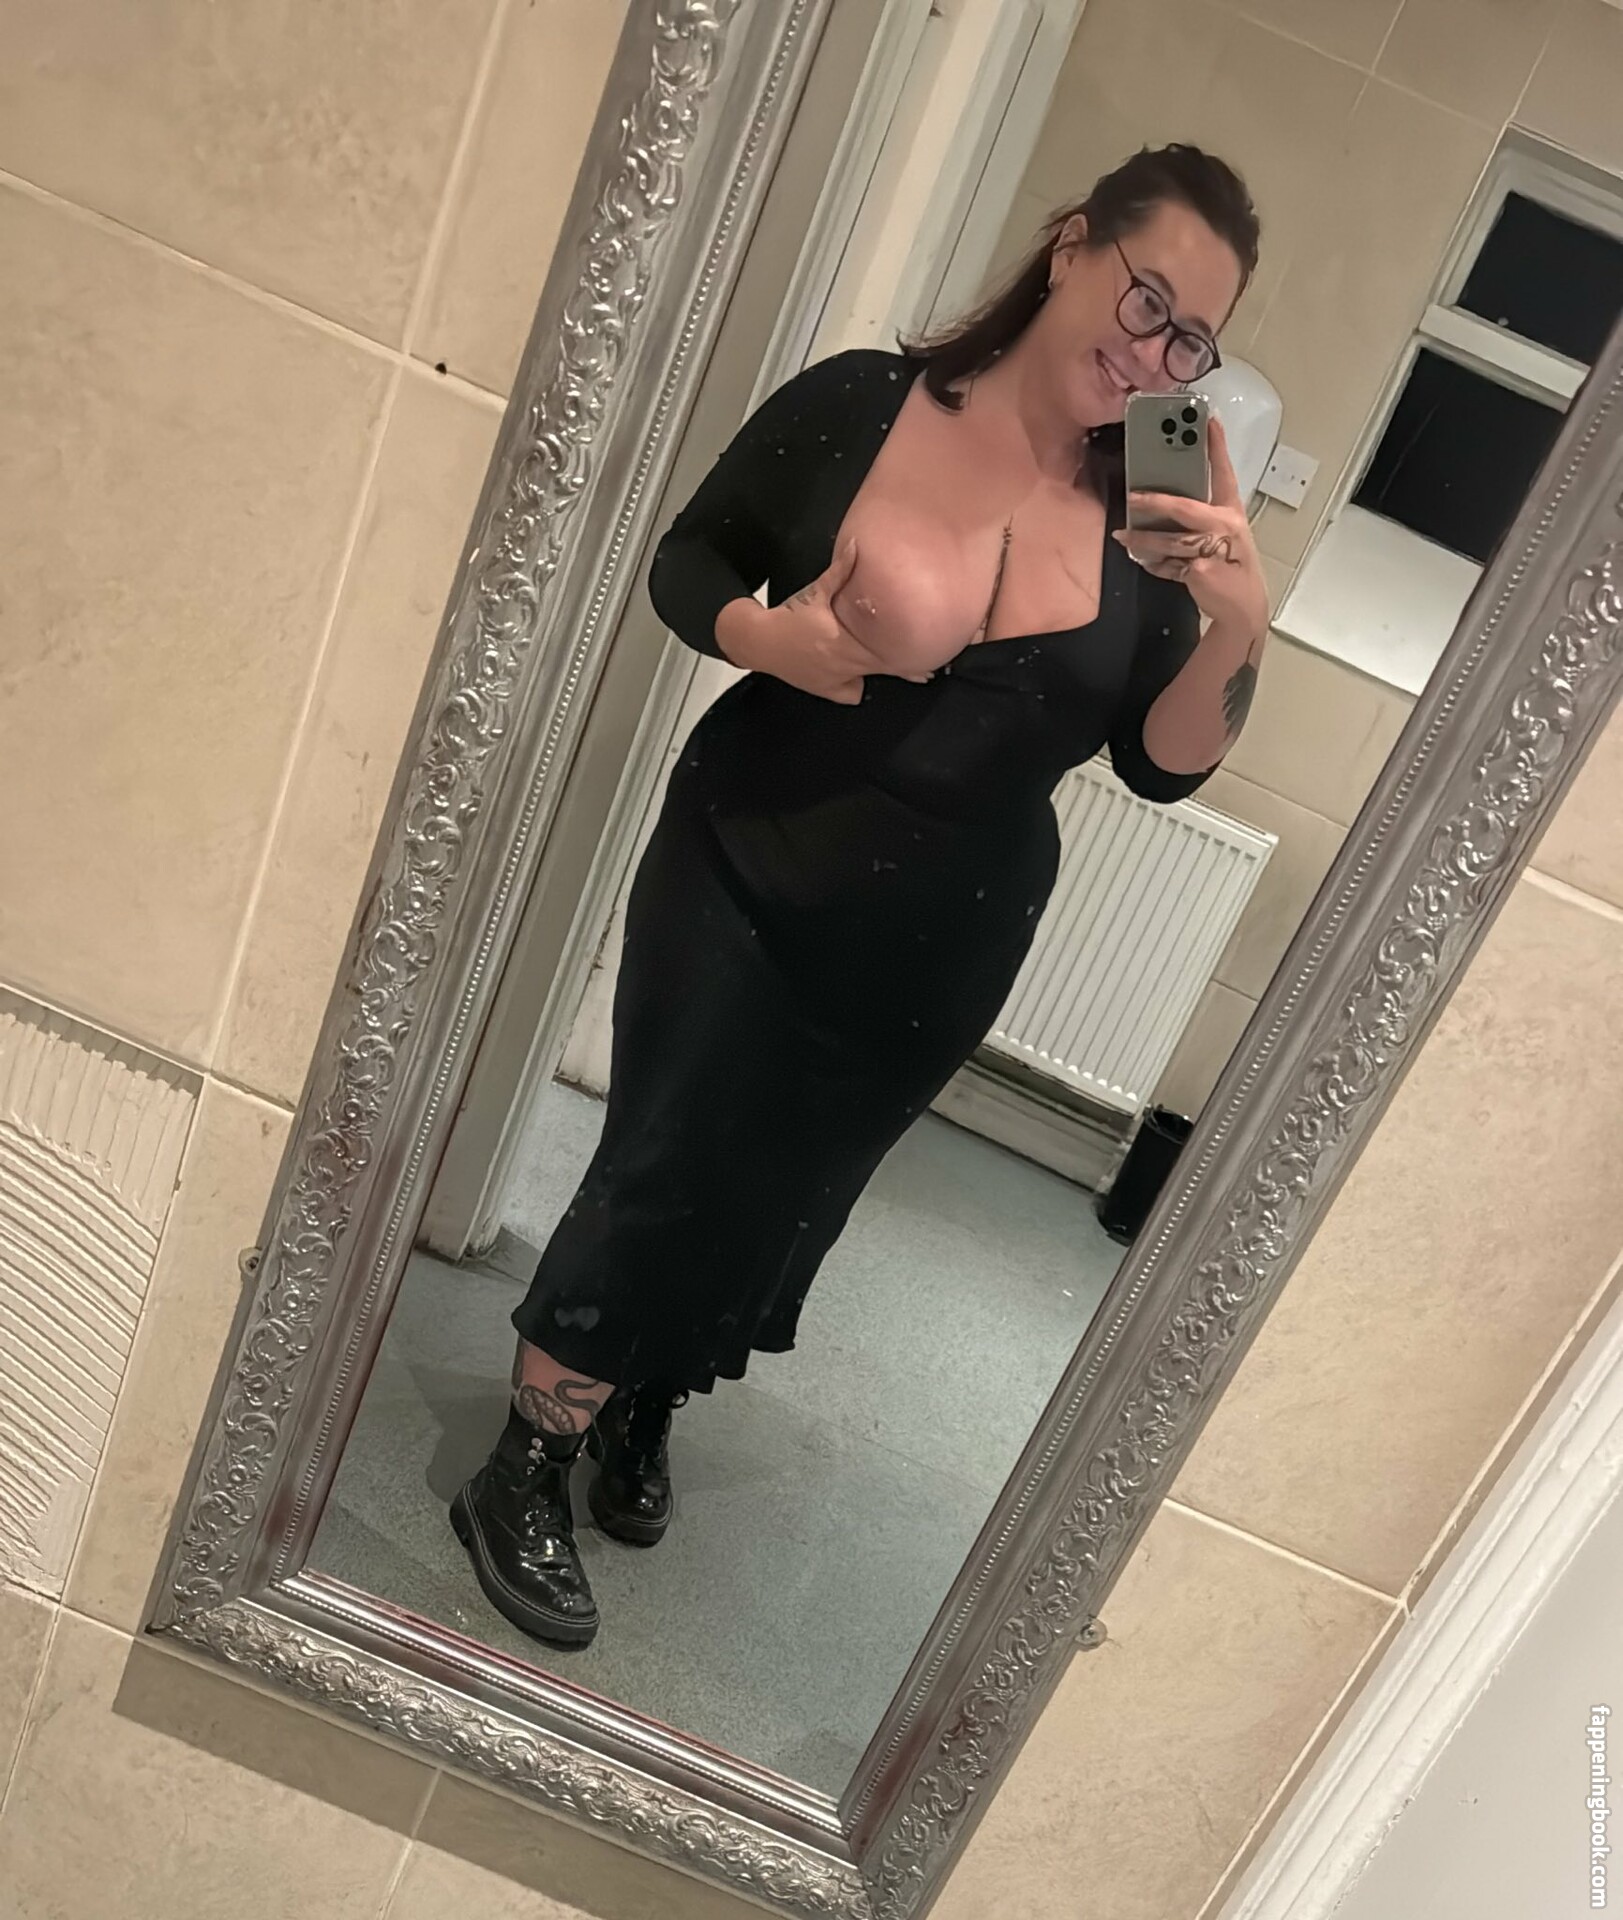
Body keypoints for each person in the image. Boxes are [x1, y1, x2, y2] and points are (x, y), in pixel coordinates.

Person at [451, 144, 1271, 1649]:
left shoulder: (1150, 517)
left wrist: (1235, 626)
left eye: (1190, 342)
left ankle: (648, 1398)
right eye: (1146, 298)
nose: (1152, 354)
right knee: (669, 1154)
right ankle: (525, 1463)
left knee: (786, 1193)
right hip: (751, 857)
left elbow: (1165, 771)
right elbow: (691, 558)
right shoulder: (863, 404)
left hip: (944, 937)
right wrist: (765, 639)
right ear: (1072, 245)